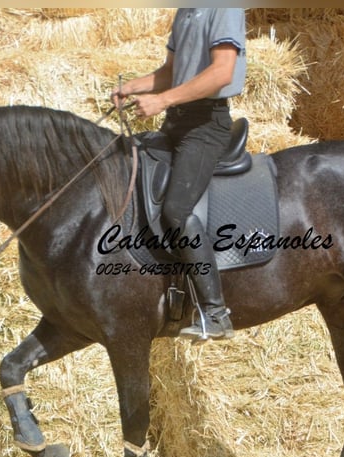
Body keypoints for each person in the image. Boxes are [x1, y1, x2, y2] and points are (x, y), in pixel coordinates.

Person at [111, 8, 246, 342]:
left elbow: (221, 73)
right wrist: (132, 87)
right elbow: (171, 72)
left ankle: (215, 313)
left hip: (206, 126)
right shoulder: (187, 9)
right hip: (177, 121)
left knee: (176, 212)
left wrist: (162, 100)